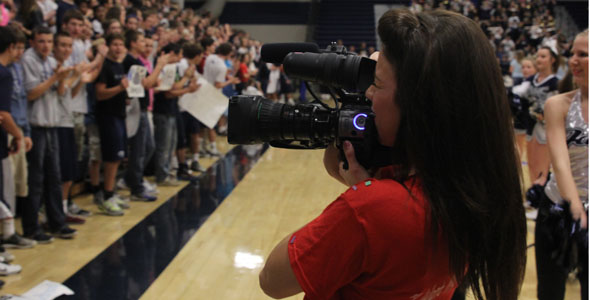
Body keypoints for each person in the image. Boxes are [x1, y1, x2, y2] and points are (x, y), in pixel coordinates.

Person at [259, 9, 526, 300]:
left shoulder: (372, 210)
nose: (369, 95)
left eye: (378, 83)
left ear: (420, 107)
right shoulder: (479, 186)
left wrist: (359, 197)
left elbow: (273, 280)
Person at [537, 29, 588, 300]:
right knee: (550, 293)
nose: (574, 60)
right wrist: (576, 211)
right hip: (559, 210)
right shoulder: (558, 104)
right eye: (572, 54)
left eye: (583, 54)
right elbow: (560, 162)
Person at [22, 26, 77, 242]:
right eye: (41, 41)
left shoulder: (52, 62)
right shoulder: (29, 60)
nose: (45, 45)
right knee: (36, 179)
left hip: (52, 124)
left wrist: (63, 76)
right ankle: (31, 227)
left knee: (54, 177)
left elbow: (62, 92)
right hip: (35, 126)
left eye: (48, 41)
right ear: (33, 42)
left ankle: (57, 222)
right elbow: (31, 93)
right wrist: (56, 78)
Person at [94, 33, 130, 216]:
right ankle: (107, 197)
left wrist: (125, 96)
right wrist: (120, 89)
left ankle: (111, 192)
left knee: (118, 158)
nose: (118, 48)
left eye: (120, 44)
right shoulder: (105, 67)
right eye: (114, 44)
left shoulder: (119, 65)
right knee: (111, 158)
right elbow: (100, 93)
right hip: (108, 116)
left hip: (119, 114)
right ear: (108, 46)